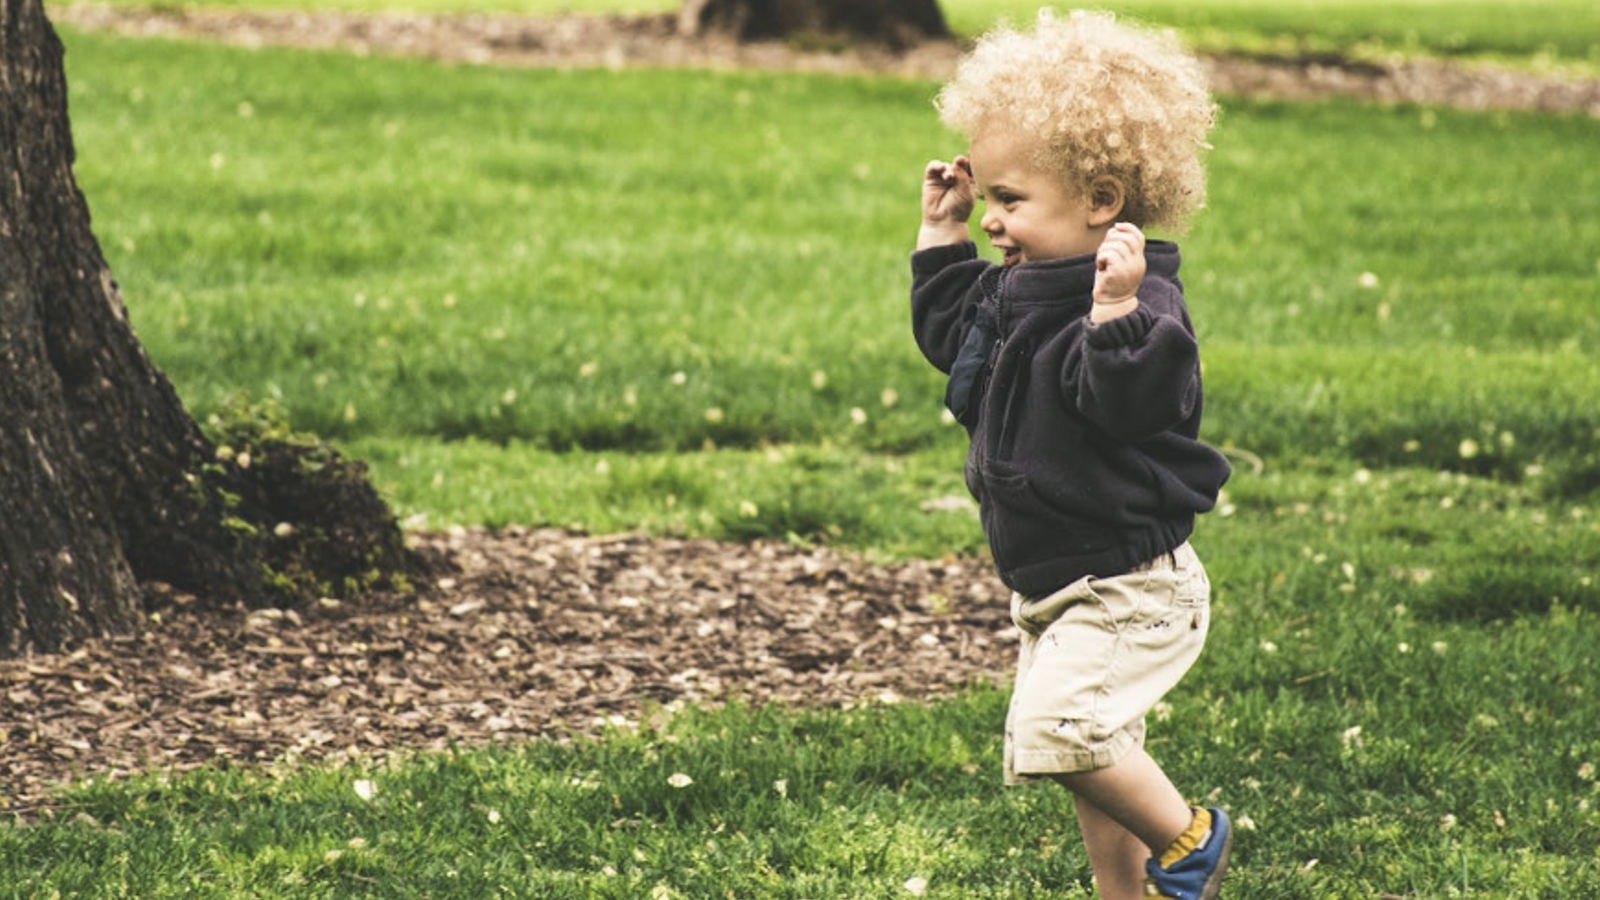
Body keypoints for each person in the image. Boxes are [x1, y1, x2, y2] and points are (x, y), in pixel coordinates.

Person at [908, 10, 1234, 899]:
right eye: (985, 200)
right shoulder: (1015, 288)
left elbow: (1135, 406)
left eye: (1009, 201)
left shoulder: (1141, 305)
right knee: (1090, 751)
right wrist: (942, 238)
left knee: (1062, 733)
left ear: (1100, 200)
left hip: (1128, 582)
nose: (993, 220)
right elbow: (952, 339)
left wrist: (1115, 317)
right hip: (1056, 577)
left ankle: (1191, 839)